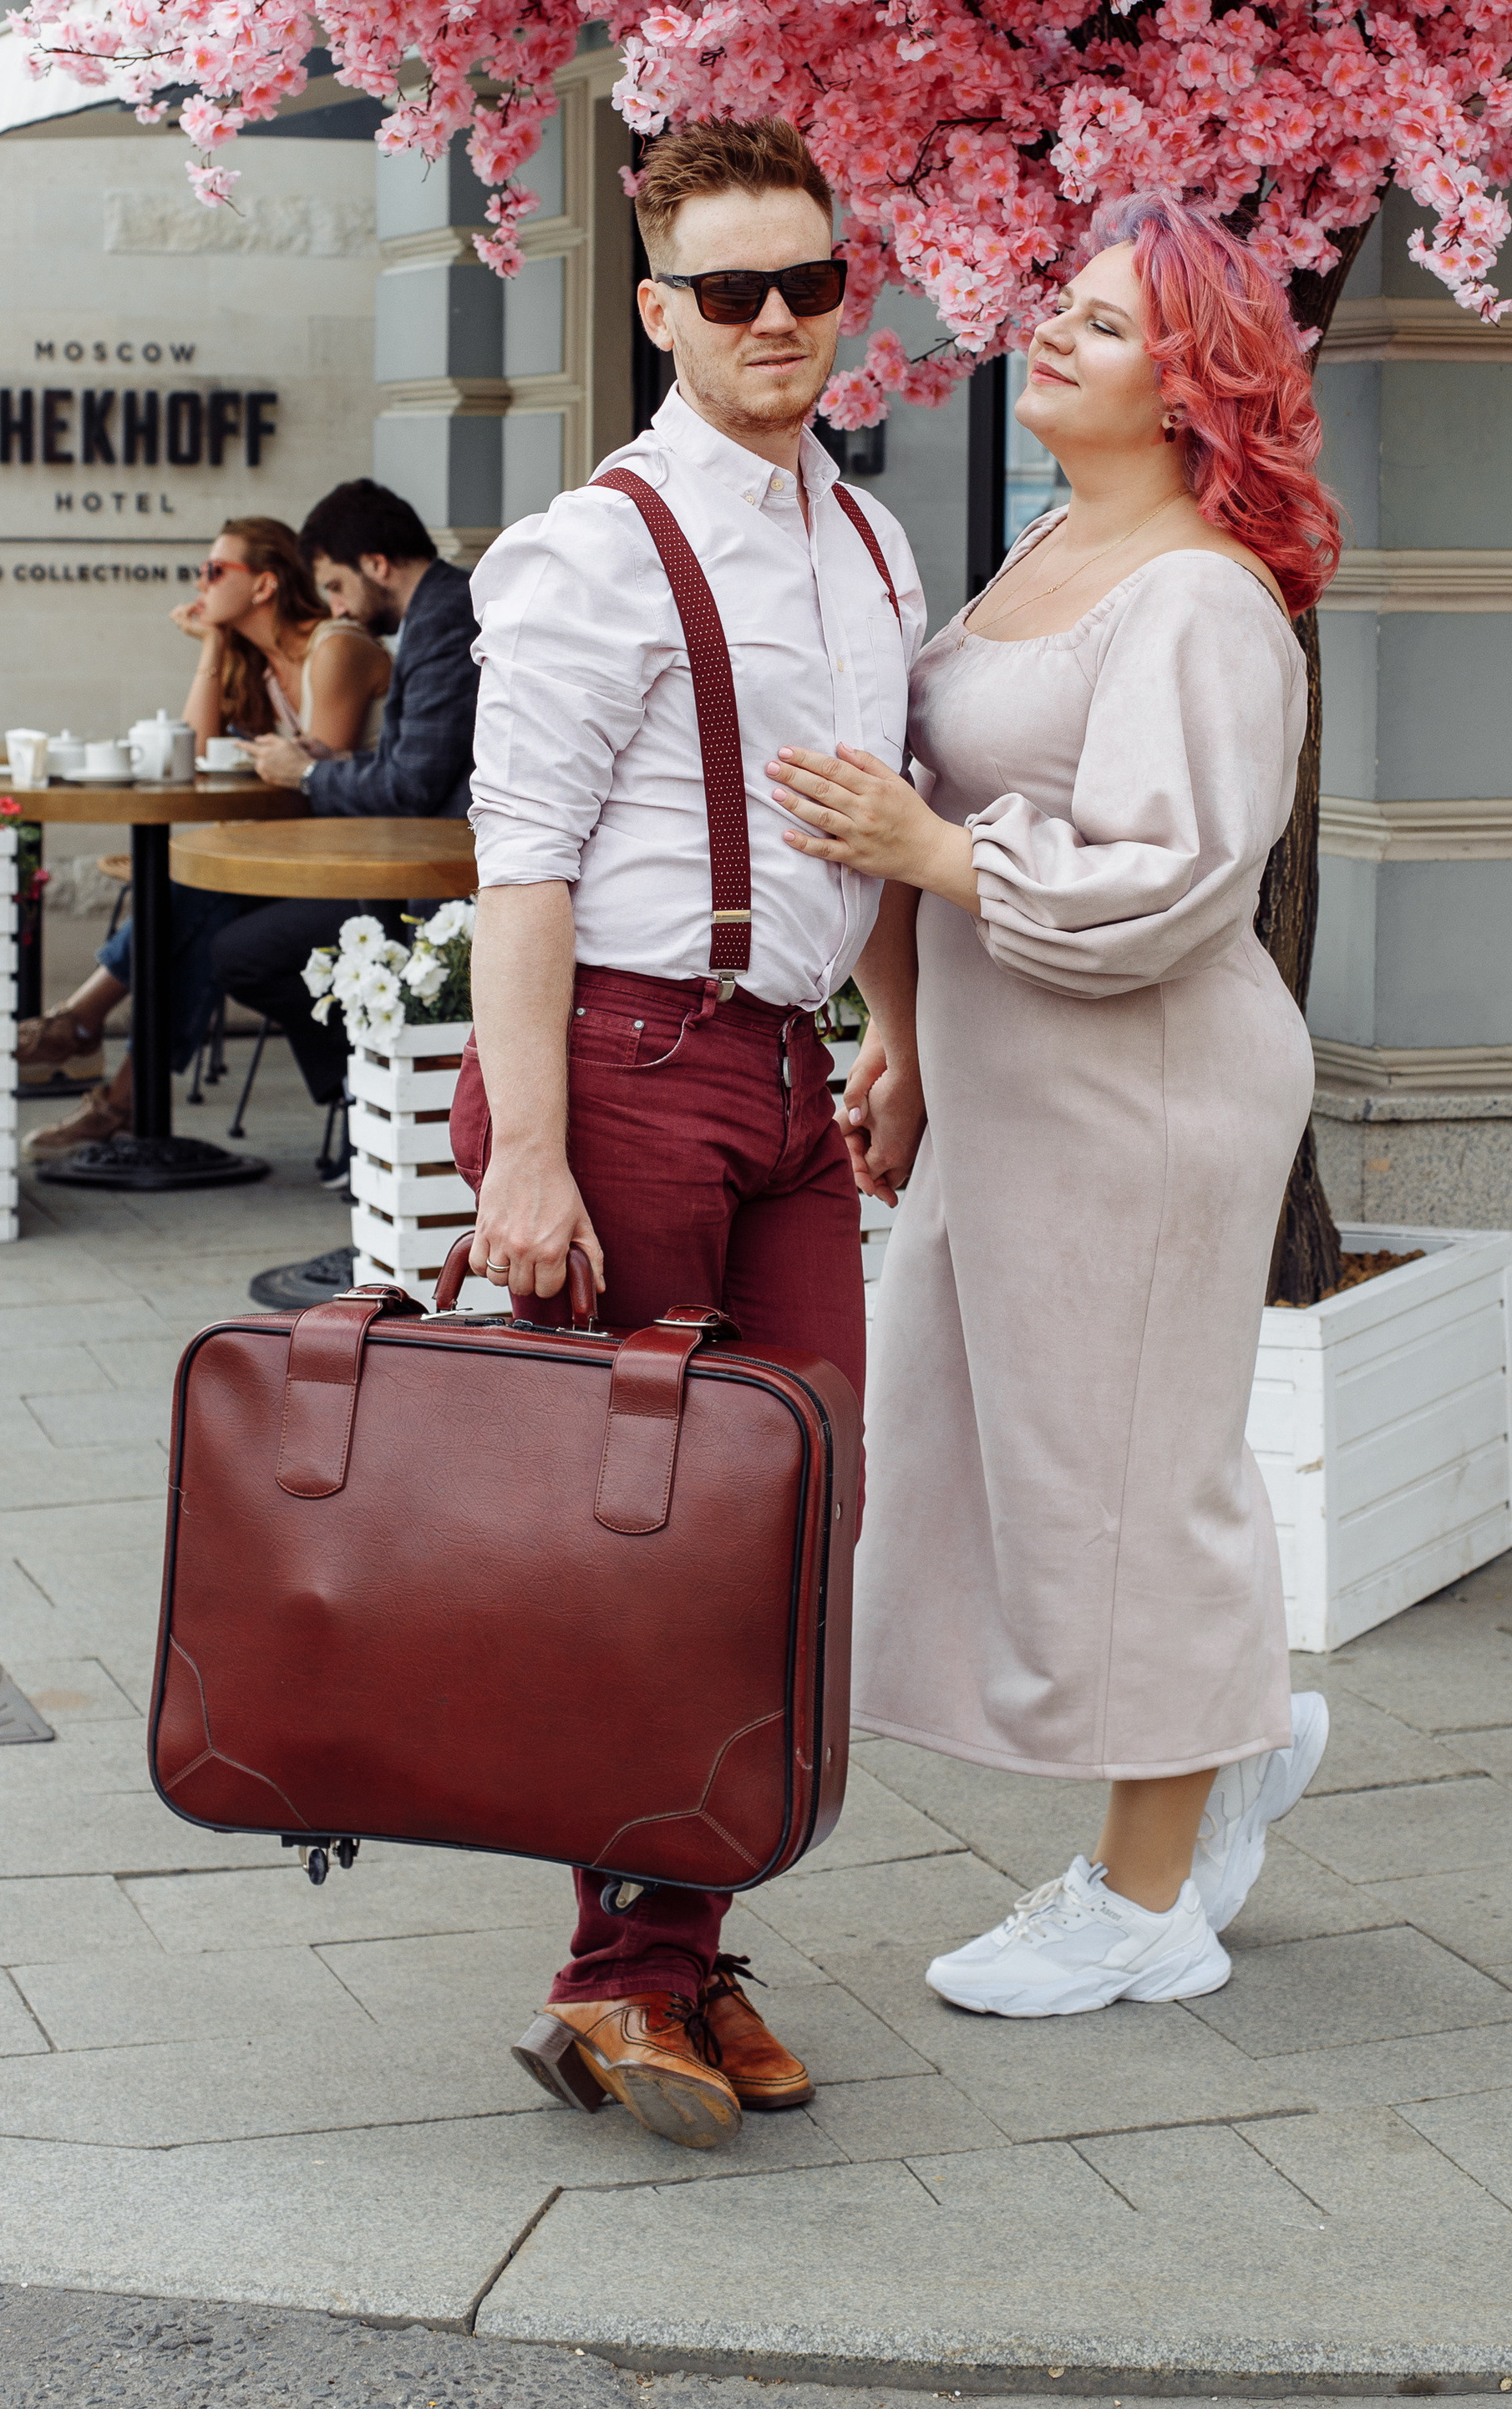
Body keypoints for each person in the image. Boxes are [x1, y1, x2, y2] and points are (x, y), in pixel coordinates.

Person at [765, 194, 1337, 2020]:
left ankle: (1144, 1897)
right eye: (1062, 311)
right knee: (1010, 1457)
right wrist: (909, 1037)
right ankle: (1223, 1744)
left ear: (1190, 387)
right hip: (1022, 1083)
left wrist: (934, 849)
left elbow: (1176, 877)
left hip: (1143, 1094)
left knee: (1124, 1481)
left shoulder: (1196, 594)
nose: (1051, 339)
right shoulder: (1036, 562)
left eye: (1101, 326)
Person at [462, 113, 923, 2150]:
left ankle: (684, 1937)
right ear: (656, 310)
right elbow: (522, 869)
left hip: (781, 1071)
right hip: (618, 1069)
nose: (771, 323)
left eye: (805, 284)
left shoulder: (873, 541)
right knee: (638, 1535)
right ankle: (620, 1976)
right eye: (726, 291)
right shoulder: (595, 543)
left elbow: (881, 826)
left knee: (786, 1519)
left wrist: (887, 1028)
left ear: (848, 294)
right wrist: (528, 1150)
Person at [21, 517, 386, 1158]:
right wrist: (212, 647)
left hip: (361, 864)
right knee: (195, 899)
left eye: (216, 571)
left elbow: (315, 790)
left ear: (265, 584)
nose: (200, 582)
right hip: (293, 862)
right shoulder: (260, 662)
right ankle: (115, 1090)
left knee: (193, 894)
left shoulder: (336, 648)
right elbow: (186, 762)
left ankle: (85, 1032)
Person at [205, 480, 482, 1111]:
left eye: (335, 584)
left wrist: (304, 776)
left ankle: (368, 1106)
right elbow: (410, 764)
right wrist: (330, 762)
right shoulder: (436, 611)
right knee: (231, 934)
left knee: (240, 952)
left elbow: (410, 786)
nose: (336, 606)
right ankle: (366, 1108)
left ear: (377, 565)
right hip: (421, 868)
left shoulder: (444, 616)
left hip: (436, 885)